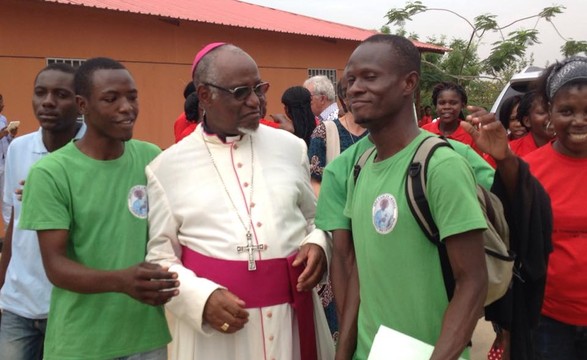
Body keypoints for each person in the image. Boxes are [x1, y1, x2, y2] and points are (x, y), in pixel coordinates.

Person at [145, 43, 334, 360]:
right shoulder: (167, 167)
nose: (256, 101)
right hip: (216, 336)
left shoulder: (291, 148)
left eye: (259, 89)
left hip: (291, 321)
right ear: (205, 95)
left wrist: (319, 245)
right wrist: (201, 299)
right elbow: (159, 257)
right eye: (240, 92)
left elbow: (315, 221)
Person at [335, 34, 488, 360]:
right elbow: (363, 271)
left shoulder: (440, 165)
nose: (355, 88)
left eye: (370, 77)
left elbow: (472, 283)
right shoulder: (360, 167)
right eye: (350, 80)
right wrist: (343, 352)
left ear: (409, 83)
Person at [18, 57, 178, 360]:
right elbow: (56, 267)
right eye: (111, 98)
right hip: (81, 343)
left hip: (147, 338)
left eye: (132, 96)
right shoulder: (51, 173)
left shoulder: (151, 158)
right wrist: (122, 280)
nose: (126, 107)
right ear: (83, 105)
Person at [0, 63, 85, 360]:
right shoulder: (18, 149)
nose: (48, 101)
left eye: (60, 94)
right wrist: (2, 285)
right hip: (17, 304)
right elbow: (15, 225)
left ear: (80, 103)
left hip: (70, 306)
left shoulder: (95, 153)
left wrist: (53, 197)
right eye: (40, 93)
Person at [308, 78, 368, 196]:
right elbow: (314, 181)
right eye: (353, 93)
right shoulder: (324, 131)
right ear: (344, 99)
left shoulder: (381, 131)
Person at [422, 81, 482, 155]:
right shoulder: (424, 132)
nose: (447, 107)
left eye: (453, 103)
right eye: (442, 103)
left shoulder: (472, 136)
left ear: (462, 105)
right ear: (436, 106)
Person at [508, 90, 555, 157]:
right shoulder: (509, 151)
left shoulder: (570, 146)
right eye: (542, 112)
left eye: (553, 110)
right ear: (527, 121)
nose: (551, 116)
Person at [0, 93, 19, 227]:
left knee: (6, 202)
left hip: (3, 165)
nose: (3, 105)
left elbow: (7, 141)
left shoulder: (3, 119)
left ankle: (9, 239)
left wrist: (11, 135)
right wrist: (1, 134)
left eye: (2, 102)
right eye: (0, 102)